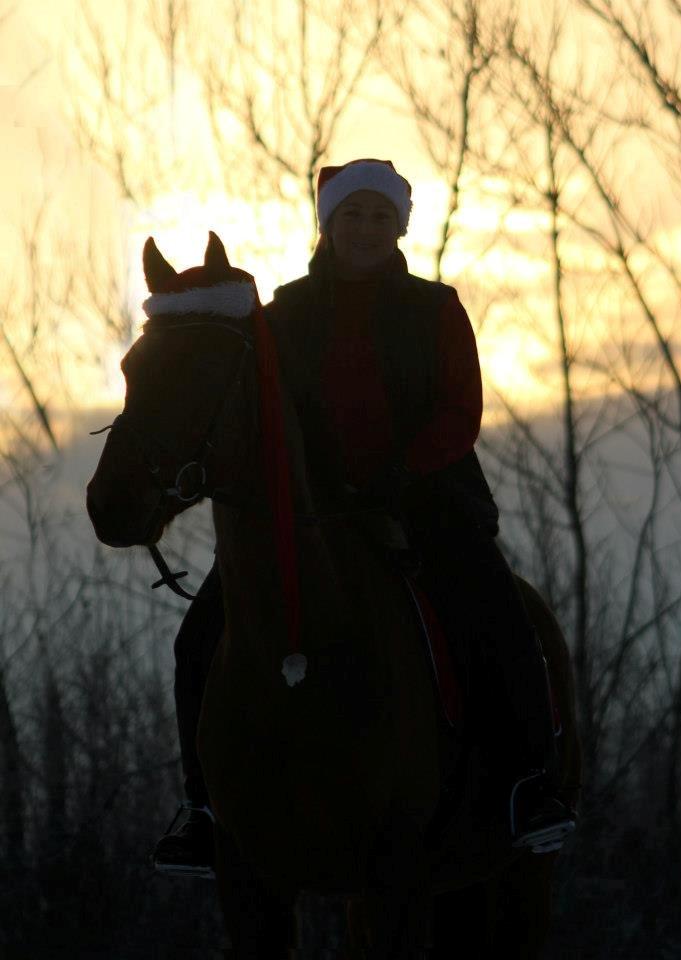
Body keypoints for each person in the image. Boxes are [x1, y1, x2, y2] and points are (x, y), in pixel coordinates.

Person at [152, 158, 576, 876]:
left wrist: (398, 474)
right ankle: (204, 809)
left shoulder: (435, 308)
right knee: (200, 636)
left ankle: (527, 785)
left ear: (399, 226)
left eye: (381, 216)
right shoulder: (282, 315)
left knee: (500, 616)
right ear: (329, 224)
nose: (366, 228)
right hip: (309, 513)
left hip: (428, 501)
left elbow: (458, 411)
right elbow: (253, 409)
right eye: (352, 215)